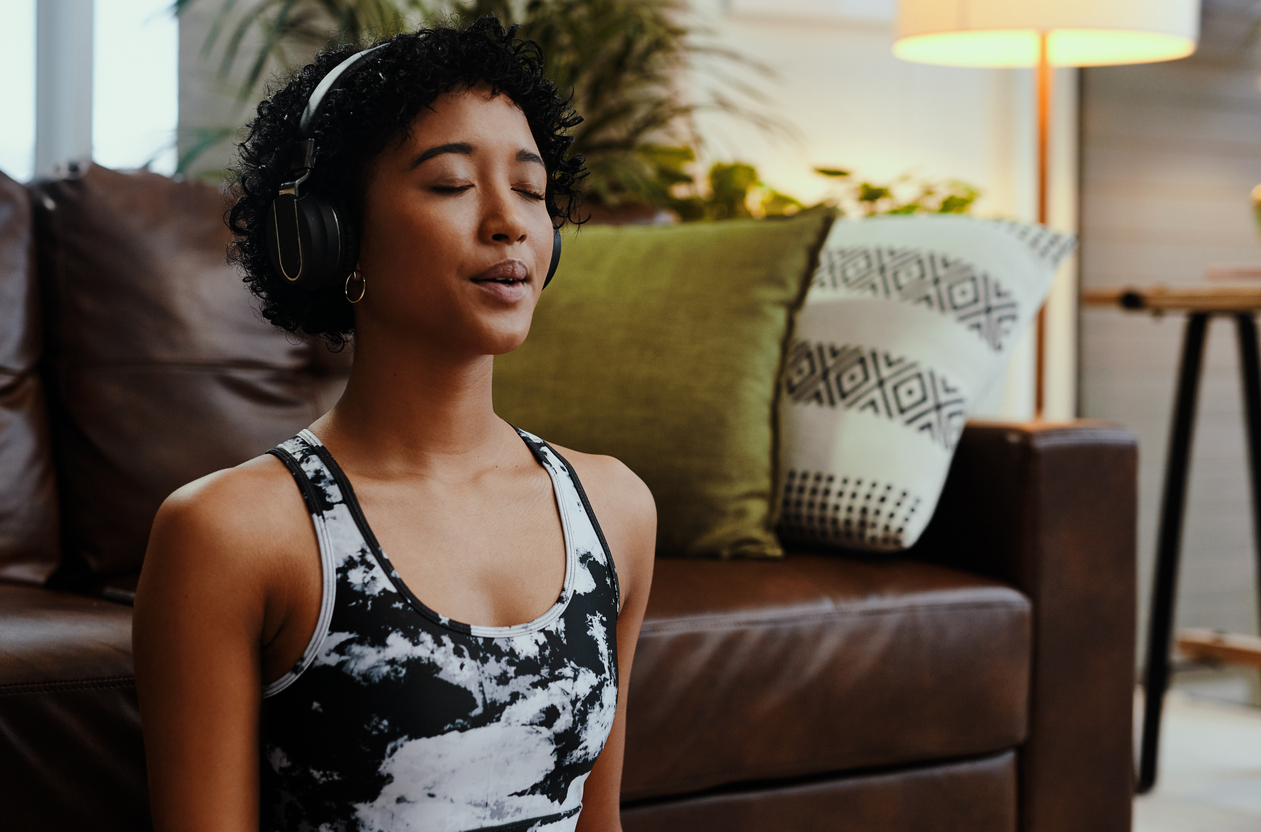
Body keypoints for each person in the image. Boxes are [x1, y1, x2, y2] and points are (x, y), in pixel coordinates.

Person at [132, 17, 656, 832]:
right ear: (332, 234)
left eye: (528, 187)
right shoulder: (231, 533)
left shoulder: (614, 507)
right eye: (451, 184)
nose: (508, 221)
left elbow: (600, 823)